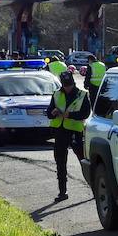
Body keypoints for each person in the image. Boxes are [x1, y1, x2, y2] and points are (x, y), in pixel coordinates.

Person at [46, 70, 91, 202]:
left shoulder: (82, 94)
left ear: (73, 83)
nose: (67, 88)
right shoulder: (57, 93)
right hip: (60, 132)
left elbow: (85, 113)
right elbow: (48, 113)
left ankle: (95, 187)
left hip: (75, 132)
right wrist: (53, 112)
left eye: (69, 86)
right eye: (65, 86)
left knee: (83, 160)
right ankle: (62, 191)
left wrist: (69, 115)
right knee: (60, 162)